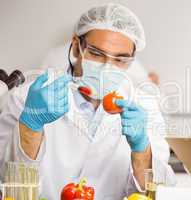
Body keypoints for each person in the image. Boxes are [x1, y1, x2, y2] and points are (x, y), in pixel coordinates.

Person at [0, 3, 175, 199]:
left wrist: (142, 149)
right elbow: (7, 183)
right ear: (76, 47)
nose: (107, 67)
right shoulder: (26, 98)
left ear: (131, 61)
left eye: (120, 59)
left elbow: (157, 193)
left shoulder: (145, 107)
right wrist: (30, 126)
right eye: (97, 54)